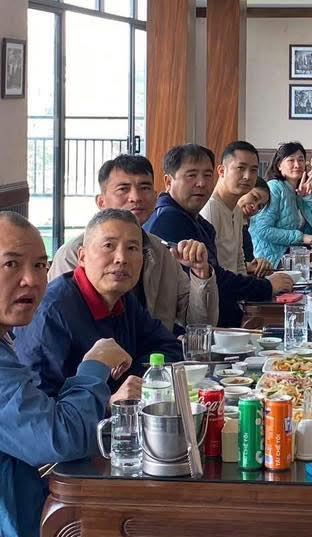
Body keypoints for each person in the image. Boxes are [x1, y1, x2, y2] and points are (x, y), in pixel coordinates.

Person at [0, 212, 159, 537]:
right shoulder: (55, 309)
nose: (31, 279)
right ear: (83, 255)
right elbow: (59, 437)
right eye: (11, 264)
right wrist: (94, 366)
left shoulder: (125, 302)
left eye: (40, 265)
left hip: (36, 515)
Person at [14, 209, 182, 397]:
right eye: (109, 245)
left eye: (132, 248)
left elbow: (169, 348)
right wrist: (109, 400)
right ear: (82, 257)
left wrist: (130, 380)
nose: (121, 258)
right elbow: (40, 403)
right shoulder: (50, 313)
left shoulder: (123, 299)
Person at [50, 154, 218, 332]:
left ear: (155, 197)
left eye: (144, 188)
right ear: (101, 202)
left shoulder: (162, 252)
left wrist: (200, 273)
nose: (136, 197)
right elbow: (65, 325)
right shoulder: (73, 254)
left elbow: (200, 326)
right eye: (123, 189)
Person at [143, 145, 293, 327]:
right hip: (183, 331)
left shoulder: (198, 220)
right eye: (191, 175)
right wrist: (266, 287)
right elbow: (213, 279)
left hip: (215, 316)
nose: (201, 183)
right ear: (168, 181)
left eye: (207, 175)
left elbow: (231, 267)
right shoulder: (169, 219)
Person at [249, 142, 312, 270]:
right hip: (273, 260)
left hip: (298, 255)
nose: (297, 165)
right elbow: (262, 230)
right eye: (291, 160)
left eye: (301, 160)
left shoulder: (301, 189)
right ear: (279, 165)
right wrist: (301, 237)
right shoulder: (274, 188)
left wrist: (309, 197)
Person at [200, 141, 271, 277]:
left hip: (234, 286)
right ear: (221, 171)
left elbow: (239, 263)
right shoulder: (210, 208)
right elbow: (210, 270)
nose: (247, 176)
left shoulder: (237, 210)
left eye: (253, 170)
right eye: (240, 168)